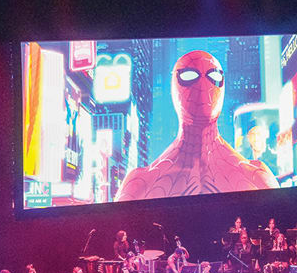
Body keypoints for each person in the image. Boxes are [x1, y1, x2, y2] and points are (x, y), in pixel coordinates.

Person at [114, 51, 279, 201]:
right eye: (189, 76)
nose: (203, 85)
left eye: (213, 76)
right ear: (173, 86)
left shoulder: (256, 175)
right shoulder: (140, 183)